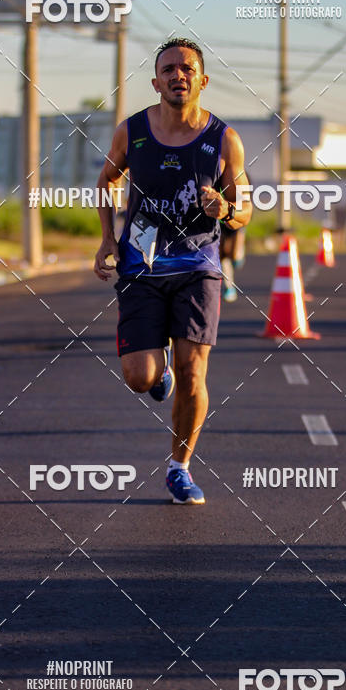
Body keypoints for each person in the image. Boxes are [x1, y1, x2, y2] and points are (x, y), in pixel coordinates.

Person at [94, 38, 251, 505]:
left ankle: (180, 467)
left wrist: (225, 208)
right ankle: (156, 373)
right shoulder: (132, 131)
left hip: (198, 265)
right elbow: (106, 181)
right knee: (140, 377)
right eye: (168, 69)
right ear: (156, 81)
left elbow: (244, 211)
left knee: (193, 373)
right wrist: (106, 238)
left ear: (202, 80)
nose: (177, 75)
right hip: (141, 263)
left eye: (187, 68)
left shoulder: (224, 139)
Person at [220, 171, 248, 302]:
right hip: (218, 223)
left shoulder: (240, 175)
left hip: (234, 220)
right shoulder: (212, 173)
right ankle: (229, 287)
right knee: (222, 256)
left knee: (235, 256)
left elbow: (246, 204)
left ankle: (240, 252)